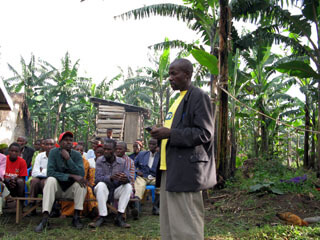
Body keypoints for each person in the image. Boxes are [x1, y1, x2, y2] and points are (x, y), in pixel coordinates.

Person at [150, 58, 217, 240]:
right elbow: (176, 130)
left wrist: (170, 133)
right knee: (170, 225)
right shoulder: (177, 100)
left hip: (186, 171)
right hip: (169, 169)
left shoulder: (198, 96)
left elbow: (204, 133)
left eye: (174, 73)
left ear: (187, 75)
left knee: (187, 226)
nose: (170, 78)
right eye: (169, 74)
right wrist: (161, 133)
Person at [35, 131, 87, 233]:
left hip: (70, 189)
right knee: (50, 180)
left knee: (81, 184)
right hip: (57, 188)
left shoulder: (76, 155)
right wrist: (71, 175)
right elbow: (50, 172)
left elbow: (80, 174)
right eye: (66, 140)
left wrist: (68, 159)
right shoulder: (54, 152)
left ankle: (76, 217)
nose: (68, 142)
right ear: (60, 142)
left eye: (70, 140)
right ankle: (45, 218)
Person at [90, 139, 132, 228]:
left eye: (109, 149)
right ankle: (102, 216)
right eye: (104, 149)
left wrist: (125, 178)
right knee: (101, 185)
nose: (106, 151)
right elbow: (97, 179)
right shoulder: (100, 161)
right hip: (103, 190)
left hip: (115, 190)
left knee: (128, 186)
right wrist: (110, 177)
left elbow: (128, 177)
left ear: (114, 150)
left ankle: (119, 217)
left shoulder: (122, 162)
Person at [60, 144, 98, 218]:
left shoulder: (86, 162)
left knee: (88, 190)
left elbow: (89, 176)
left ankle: (85, 212)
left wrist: (90, 183)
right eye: (77, 150)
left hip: (82, 182)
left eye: (81, 150)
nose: (79, 152)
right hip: (68, 182)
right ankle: (66, 212)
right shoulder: (66, 159)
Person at [134, 138, 160, 215]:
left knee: (161, 186)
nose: (151, 146)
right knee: (139, 186)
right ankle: (137, 210)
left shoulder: (161, 156)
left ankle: (156, 208)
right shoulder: (142, 154)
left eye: (153, 144)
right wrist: (137, 171)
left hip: (155, 177)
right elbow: (133, 165)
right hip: (143, 177)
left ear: (157, 145)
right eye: (150, 144)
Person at [28, 138, 55, 213]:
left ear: (54, 146)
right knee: (34, 181)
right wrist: (47, 172)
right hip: (38, 178)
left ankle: (47, 208)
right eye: (47, 144)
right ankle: (32, 205)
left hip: (52, 180)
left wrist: (42, 170)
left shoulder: (57, 156)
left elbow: (54, 173)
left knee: (45, 182)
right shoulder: (39, 156)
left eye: (51, 144)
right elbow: (34, 172)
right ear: (43, 146)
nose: (49, 146)